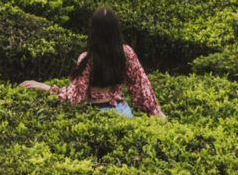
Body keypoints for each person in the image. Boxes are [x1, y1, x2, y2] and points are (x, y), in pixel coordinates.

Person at [20, 7, 166, 119]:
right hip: (123, 113)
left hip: (97, 115)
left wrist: (46, 88)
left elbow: (74, 97)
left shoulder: (87, 58)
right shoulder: (126, 52)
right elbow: (141, 87)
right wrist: (156, 112)